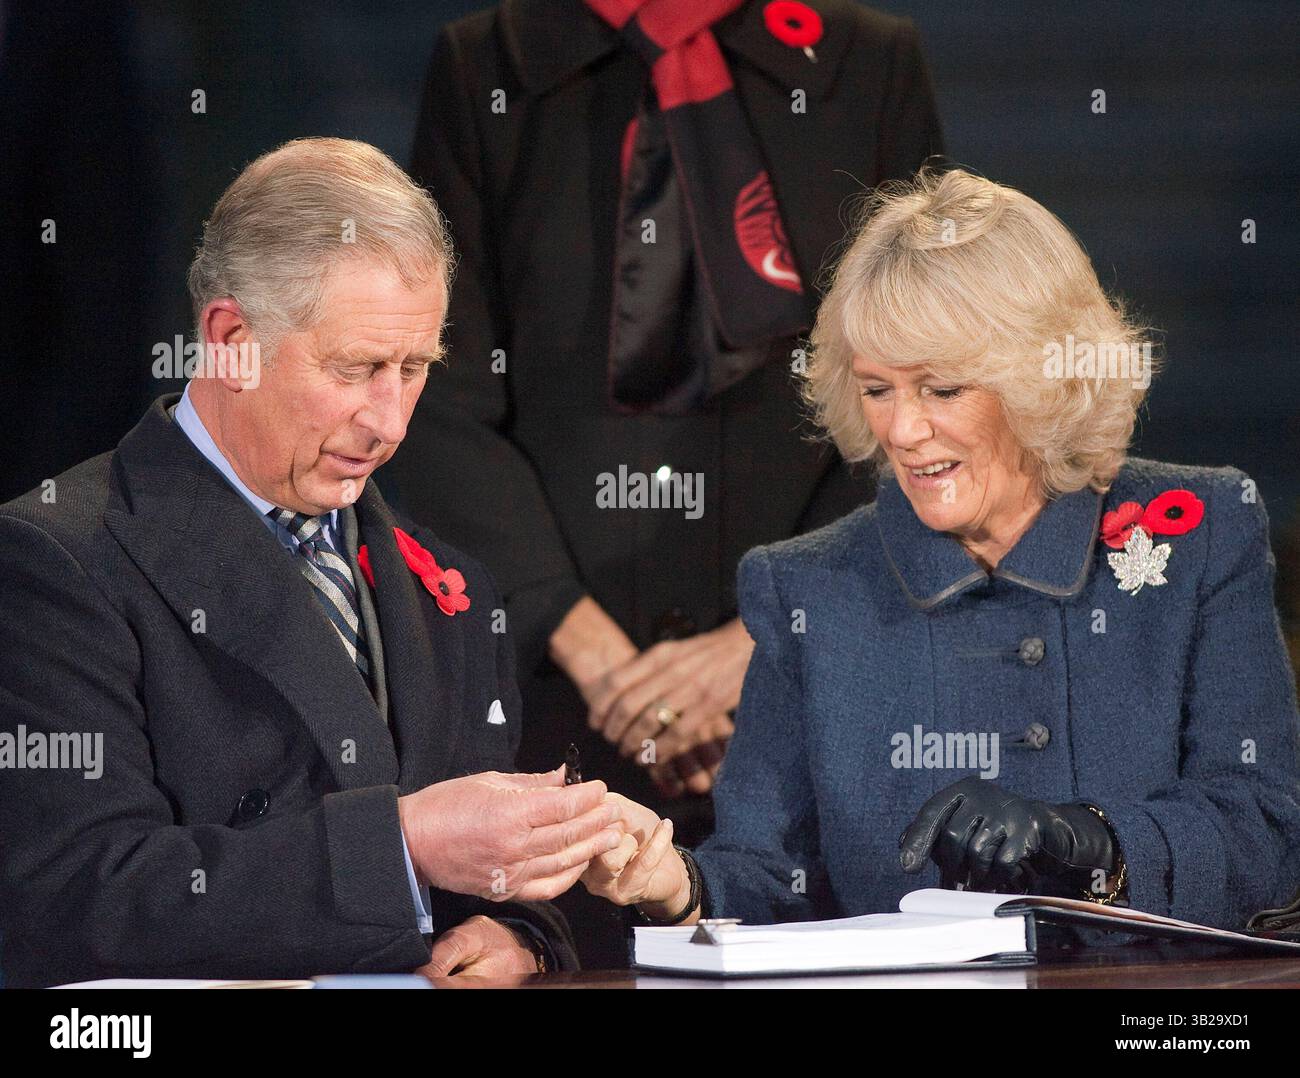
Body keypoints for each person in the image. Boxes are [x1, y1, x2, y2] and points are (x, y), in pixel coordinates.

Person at [582, 168, 1300, 933]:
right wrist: (674, 880)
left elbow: (1265, 830)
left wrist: (1086, 840)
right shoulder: (806, 588)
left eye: (942, 389)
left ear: (1043, 381)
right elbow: (768, 875)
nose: (901, 430)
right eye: (877, 388)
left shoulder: (1203, 532)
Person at [0, 138, 627, 988]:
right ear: (229, 340)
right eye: (358, 368)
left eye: (414, 369)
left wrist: (520, 937)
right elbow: (76, 897)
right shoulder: (56, 558)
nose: (391, 420)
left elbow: (503, 876)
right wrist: (401, 844)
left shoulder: (457, 586)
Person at [393, 0, 944, 965]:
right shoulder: (492, 64)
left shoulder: (863, 60)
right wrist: (601, 661)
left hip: (808, 683)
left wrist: (765, 641)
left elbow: (925, 386)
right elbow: (435, 393)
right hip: (553, 693)